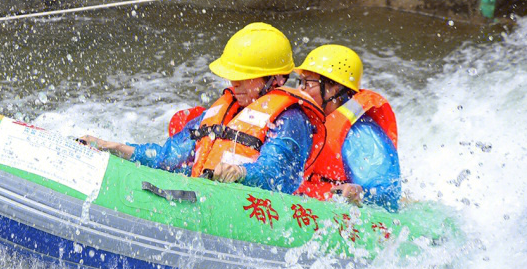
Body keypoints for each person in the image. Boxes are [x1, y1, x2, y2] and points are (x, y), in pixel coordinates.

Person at [80, 23, 324, 193]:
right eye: (232, 75)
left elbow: (275, 174)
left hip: (248, 212)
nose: (234, 82)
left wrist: (240, 172)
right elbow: (170, 155)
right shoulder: (225, 110)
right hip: (206, 196)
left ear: (276, 80)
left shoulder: (291, 120)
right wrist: (117, 148)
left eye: (244, 76)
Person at [292, 45, 401, 210]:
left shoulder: (361, 134)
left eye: (308, 83)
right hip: (308, 201)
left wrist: (360, 192)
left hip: (342, 212)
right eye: (300, 82)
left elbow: (387, 191)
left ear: (334, 87)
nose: (300, 89)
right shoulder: (306, 121)